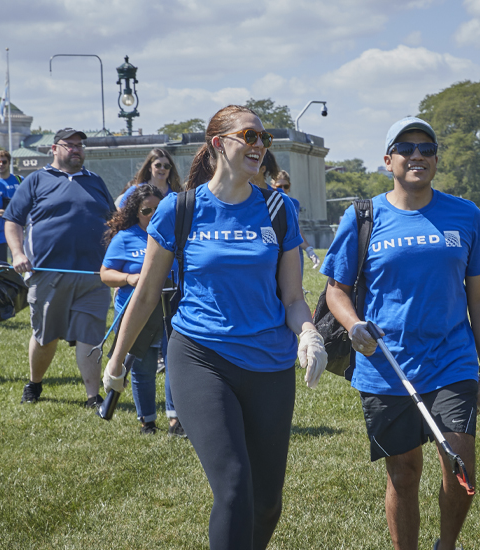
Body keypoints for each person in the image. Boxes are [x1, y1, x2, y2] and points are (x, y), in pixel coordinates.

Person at [102, 105, 326, 549]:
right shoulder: (179, 209)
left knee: (266, 504)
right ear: (219, 144)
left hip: (269, 364)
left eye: (264, 139)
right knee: (234, 487)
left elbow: (294, 299)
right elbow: (146, 295)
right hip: (201, 357)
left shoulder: (279, 210)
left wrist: (308, 333)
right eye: (250, 136)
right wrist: (116, 361)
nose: (260, 146)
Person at [322, 117, 480, 550]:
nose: (417, 155)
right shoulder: (363, 216)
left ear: (436, 158)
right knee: (403, 473)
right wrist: (353, 324)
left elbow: (479, 295)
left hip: (451, 359)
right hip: (387, 366)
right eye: (406, 148)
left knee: (460, 464)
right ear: (388, 160)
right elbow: (336, 291)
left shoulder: (465, 214)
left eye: (426, 148)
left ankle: (447, 545)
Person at [5, 128, 116, 407]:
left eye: (80, 145)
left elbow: (115, 223)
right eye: (70, 145)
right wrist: (17, 253)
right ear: (54, 149)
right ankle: (35, 383)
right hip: (48, 272)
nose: (77, 149)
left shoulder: (95, 181)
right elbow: (12, 220)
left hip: (93, 275)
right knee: (46, 336)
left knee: (90, 336)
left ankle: (93, 396)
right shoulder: (36, 180)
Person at [99, 184, 180, 435]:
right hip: (137, 312)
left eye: (158, 209)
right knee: (142, 369)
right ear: (136, 212)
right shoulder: (124, 237)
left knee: (174, 364)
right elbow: (105, 274)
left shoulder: (174, 235)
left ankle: (175, 421)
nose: (153, 214)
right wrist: (128, 278)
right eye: (147, 210)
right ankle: (147, 421)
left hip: (170, 311)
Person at [270, 170, 321, 270]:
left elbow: (295, 228)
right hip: (274, 248)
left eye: (286, 186)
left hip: (293, 248)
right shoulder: (268, 202)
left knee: (295, 284)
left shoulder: (294, 203)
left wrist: (309, 249)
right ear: (272, 186)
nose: (283, 190)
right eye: (279, 187)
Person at [115, 148, 181, 208]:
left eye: (166, 166)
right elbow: (120, 215)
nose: (162, 168)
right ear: (149, 167)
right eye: (158, 165)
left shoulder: (177, 193)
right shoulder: (134, 191)